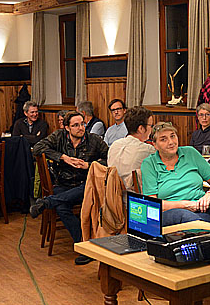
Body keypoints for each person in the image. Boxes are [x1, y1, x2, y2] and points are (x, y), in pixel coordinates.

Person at [30, 111, 108, 265]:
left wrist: (89, 165)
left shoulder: (94, 140)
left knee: (69, 197)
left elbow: (110, 159)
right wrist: (62, 157)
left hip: (85, 184)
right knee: (62, 207)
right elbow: (38, 148)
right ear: (67, 127)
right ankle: (84, 246)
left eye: (82, 124)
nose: (81, 128)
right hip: (63, 183)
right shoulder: (59, 137)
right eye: (76, 125)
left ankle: (47, 202)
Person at [141, 122, 210, 227]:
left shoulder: (190, 153)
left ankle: (204, 232)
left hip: (202, 211)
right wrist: (184, 205)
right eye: (163, 139)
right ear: (155, 145)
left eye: (173, 136)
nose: (171, 142)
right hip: (169, 214)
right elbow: (153, 204)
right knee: (185, 216)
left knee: (206, 220)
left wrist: (209, 194)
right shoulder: (149, 164)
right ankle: (205, 232)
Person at [107, 106, 156, 191]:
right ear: (141, 128)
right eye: (150, 126)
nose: (151, 129)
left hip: (111, 196)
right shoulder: (148, 150)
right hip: (133, 200)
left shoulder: (115, 145)